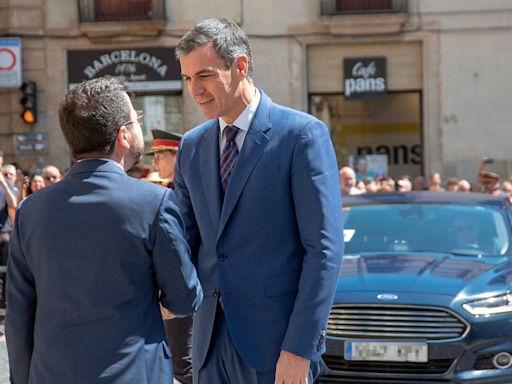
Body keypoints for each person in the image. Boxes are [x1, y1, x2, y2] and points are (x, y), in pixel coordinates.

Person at [174, 18, 343, 384]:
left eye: (204, 75)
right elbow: (183, 242)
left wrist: (300, 349)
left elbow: (324, 251)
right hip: (208, 346)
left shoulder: (301, 135)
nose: (195, 90)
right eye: (188, 79)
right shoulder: (190, 147)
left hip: (276, 347)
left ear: (240, 66)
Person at [6, 76, 203, 384]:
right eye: (136, 119)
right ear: (123, 135)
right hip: (134, 374)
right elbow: (186, 296)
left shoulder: (31, 210)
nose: (140, 125)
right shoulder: (154, 203)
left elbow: (18, 317)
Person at [146, 129, 193, 384]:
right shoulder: (171, 191)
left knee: (183, 366)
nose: (154, 163)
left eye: (159, 157)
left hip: (185, 289)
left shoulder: (183, 193)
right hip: (177, 289)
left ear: (176, 157)